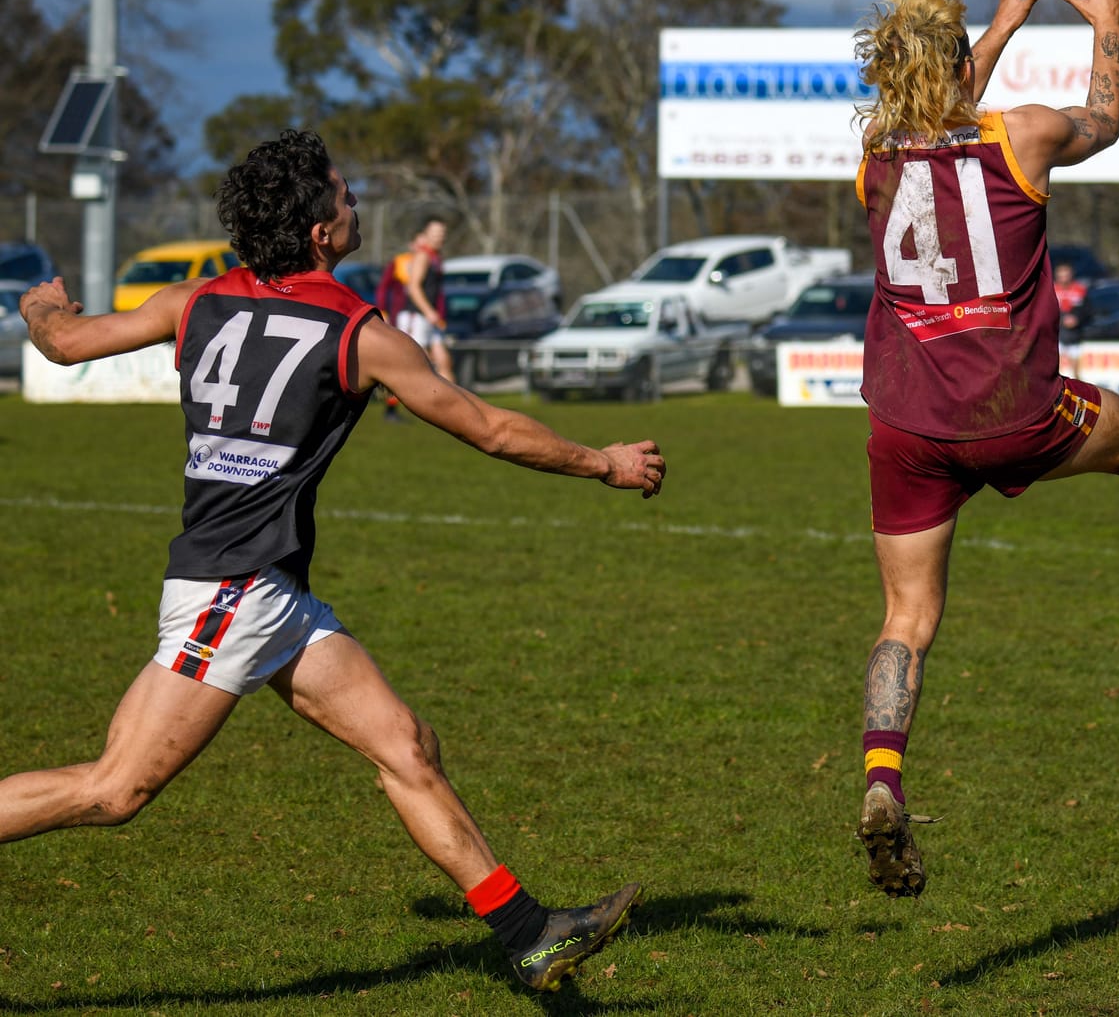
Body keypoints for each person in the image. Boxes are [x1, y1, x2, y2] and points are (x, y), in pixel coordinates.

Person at [11, 131, 664, 992]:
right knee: (114, 788)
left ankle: (529, 933)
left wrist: (43, 309)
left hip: (267, 591)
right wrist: (604, 461)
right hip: (233, 589)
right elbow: (490, 428)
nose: (357, 208)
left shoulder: (194, 300)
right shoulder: (356, 330)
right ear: (320, 229)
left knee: (406, 744)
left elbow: (66, 345)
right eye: (347, 197)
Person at [850, 0, 1119, 899]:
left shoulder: (874, 157)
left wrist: (989, 35)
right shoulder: (1024, 135)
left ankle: (881, 779)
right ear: (960, 69)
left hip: (906, 424)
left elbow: (934, 108)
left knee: (906, 618)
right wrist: (1104, 19)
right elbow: (1107, 120)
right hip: (1012, 407)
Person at [376, 216, 453, 416]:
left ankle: (452, 407)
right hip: (415, 316)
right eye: (435, 233)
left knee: (444, 360)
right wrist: (429, 311)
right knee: (413, 363)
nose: (440, 237)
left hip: (429, 317)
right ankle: (392, 407)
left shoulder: (437, 258)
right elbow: (413, 288)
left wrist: (437, 314)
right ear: (425, 236)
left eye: (442, 233)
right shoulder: (422, 256)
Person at [1053, 259, 1087, 377]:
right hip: (1056, 333)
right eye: (1061, 274)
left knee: (1076, 371)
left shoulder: (1079, 289)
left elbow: (1085, 309)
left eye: (1066, 274)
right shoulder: (1052, 289)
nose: (1064, 277)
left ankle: (1078, 392)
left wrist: (1077, 319)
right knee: (1056, 368)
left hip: (1074, 334)